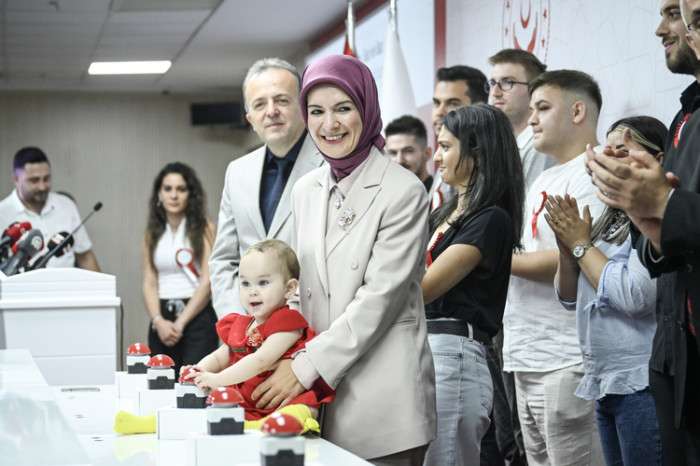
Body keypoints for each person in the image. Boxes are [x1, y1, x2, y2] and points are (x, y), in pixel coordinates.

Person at [250, 55, 436, 466]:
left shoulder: (402, 191)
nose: (329, 124)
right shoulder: (305, 189)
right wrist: (269, 341)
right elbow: (297, 284)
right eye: (316, 111)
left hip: (382, 398)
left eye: (343, 108)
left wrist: (305, 366)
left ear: (366, 110)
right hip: (313, 398)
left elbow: (379, 299)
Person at [587, 1, 700, 463]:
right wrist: (645, 214)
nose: (666, 29)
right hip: (675, 358)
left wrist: (662, 206)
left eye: (689, 17)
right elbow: (671, 250)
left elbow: (635, 292)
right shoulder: (685, 118)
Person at [546, 116, 666, 466]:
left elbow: (635, 295)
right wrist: (568, 252)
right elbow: (569, 298)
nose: (609, 159)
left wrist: (581, 246)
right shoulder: (605, 217)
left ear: (657, 160)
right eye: (606, 151)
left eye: (622, 151)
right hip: (605, 381)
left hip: (641, 380)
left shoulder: (653, 219)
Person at [503, 69, 606, 466]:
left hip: (566, 357)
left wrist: (493, 258)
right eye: (531, 109)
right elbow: (532, 251)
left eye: (543, 108)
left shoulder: (594, 171)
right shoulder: (545, 177)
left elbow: (573, 258)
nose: (531, 119)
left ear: (577, 111)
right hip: (527, 353)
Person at [421, 103, 524, 466]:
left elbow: (424, 287)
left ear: (477, 152)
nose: (436, 157)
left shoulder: (490, 218)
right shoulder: (444, 213)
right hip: (423, 348)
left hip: (454, 353)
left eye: (446, 147)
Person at [208, 58, 323, 316]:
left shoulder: (330, 165)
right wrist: (237, 322)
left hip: (312, 323)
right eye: (260, 104)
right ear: (250, 118)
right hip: (248, 328)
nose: (271, 111)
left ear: (303, 106)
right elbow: (224, 260)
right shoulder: (237, 172)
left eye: (282, 100)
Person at [183, 239, 333, 420]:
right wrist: (200, 370)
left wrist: (217, 379)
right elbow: (220, 356)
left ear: (289, 288)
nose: (252, 291)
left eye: (263, 283)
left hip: (279, 405)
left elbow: (261, 360)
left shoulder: (287, 323)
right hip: (248, 403)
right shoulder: (241, 324)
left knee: (299, 413)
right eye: (245, 283)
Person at [142, 162, 218, 376]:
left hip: (197, 316)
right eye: (168, 189)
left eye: (181, 189)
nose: (174, 195)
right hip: (162, 319)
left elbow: (207, 281)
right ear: (159, 194)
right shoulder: (152, 233)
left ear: (190, 194)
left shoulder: (205, 228)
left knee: (193, 383)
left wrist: (180, 323)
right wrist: (158, 321)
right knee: (161, 384)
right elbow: (149, 281)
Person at [0, 146, 100, 270]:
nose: (42, 186)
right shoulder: (2, 213)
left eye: (46, 179)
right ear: (16, 179)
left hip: (67, 282)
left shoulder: (66, 205)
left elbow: (85, 256)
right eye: (34, 180)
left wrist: (103, 283)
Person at [488, 48, 553, 191]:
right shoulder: (497, 142)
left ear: (534, 90)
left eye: (507, 82)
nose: (495, 93)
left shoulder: (540, 145)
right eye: (492, 83)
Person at [430, 65, 489, 211]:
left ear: (478, 108)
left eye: (453, 104)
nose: (439, 112)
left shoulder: (486, 167)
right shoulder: (445, 158)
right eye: (436, 103)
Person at [384, 115, 434, 192]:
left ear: (427, 153)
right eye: (393, 153)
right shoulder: (386, 194)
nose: (399, 160)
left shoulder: (441, 196)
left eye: (408, 151)